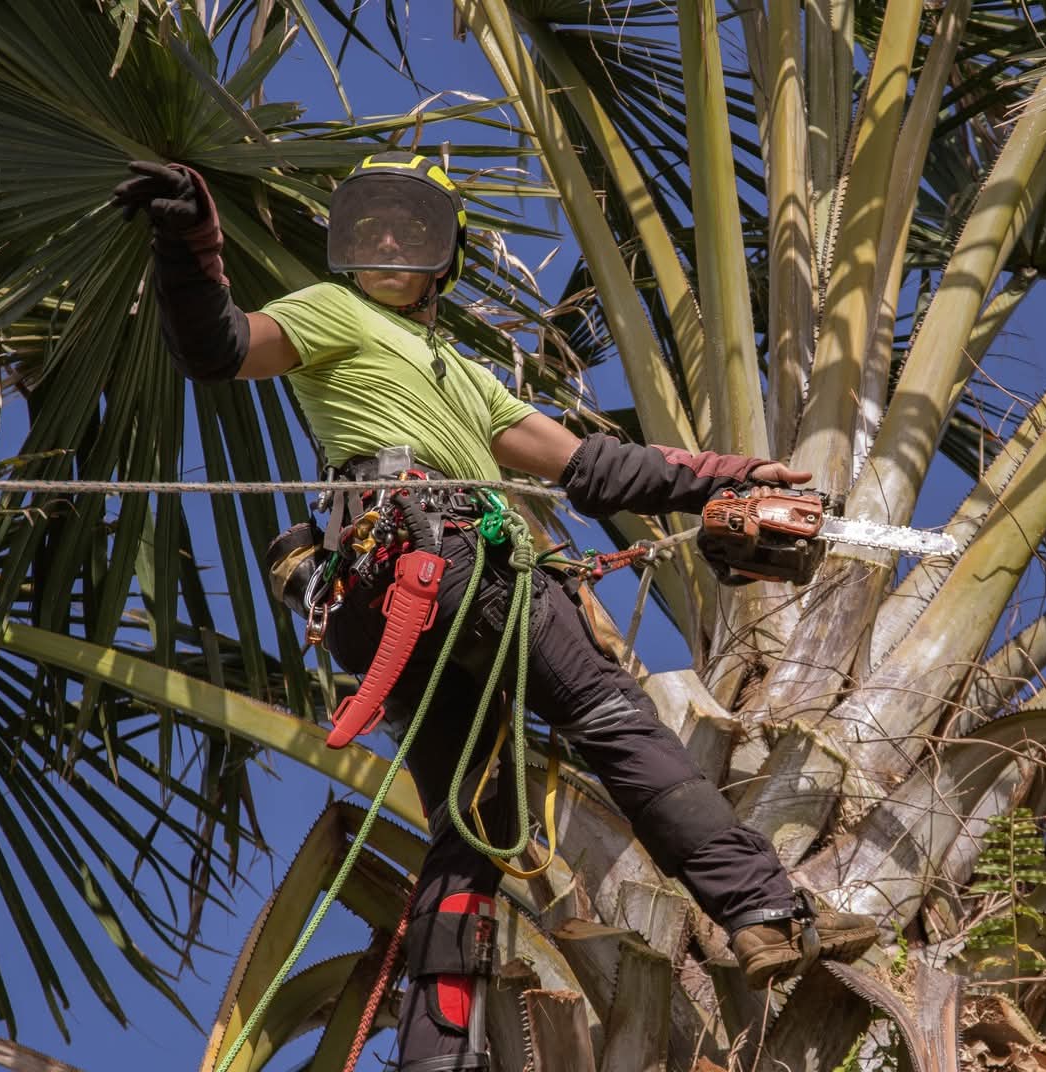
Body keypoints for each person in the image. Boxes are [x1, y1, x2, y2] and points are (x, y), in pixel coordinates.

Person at [112, 154, 877, 1072]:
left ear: (443, 257)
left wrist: (728, 478)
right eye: (371, 225)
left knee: (472, 819)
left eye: (410, 228)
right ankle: (762, 910)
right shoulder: (331, 311)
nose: (387, 241)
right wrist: (188, 243)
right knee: (608, 716)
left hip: (396, 602)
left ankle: (436, 1058)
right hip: (441, 567)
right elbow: (221, 345)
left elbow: (594, 467)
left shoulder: (468, 381)